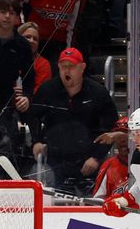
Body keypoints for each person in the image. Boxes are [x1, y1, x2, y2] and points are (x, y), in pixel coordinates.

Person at [30, 47, 118, 195]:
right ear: (58, 67)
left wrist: (96, 157)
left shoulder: (98, 92)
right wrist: (36, 141)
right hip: (55, 160)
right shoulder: (47, 89)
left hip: (88, 162)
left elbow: (110, 128)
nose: (67, 71)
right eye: (63, 66)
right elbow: (33, 116)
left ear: (82, 68)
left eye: (71, 66)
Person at [92, 116, 129, 199]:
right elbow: (97, 201)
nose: (122, 140)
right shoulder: (108, 165)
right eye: (118, 137)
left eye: (125, 135)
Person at [18, 21, 53, 94]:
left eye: (35, 39)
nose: (31, 41)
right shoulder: (7, 56)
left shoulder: (43, 64)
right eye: (27, 37)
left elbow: (40, 92)